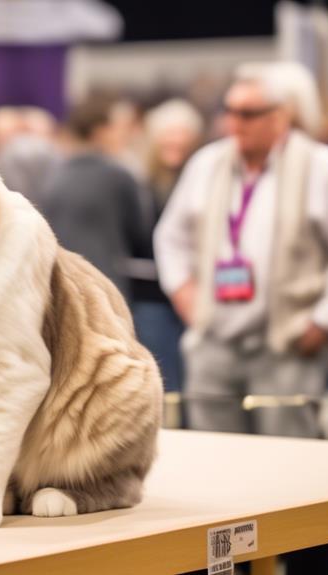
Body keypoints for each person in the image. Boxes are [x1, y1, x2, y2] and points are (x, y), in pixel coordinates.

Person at [154, 62, 328, 575]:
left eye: (250, 113)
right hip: (214, 344)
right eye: (230, 111)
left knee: (295, 478)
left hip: (287, 345)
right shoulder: (209, 163)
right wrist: (187, 296)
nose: (236, 122)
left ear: (283, 117)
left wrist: (326, 319)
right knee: (215, 480)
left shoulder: (321, 166)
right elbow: (171, 238)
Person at [130, 99, 204, 411]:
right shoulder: (139, 185)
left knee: (196, 376)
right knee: (163, 377)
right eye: (168, 134)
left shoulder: (202, 180)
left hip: (196, 295)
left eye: (182, 135)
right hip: (152, 299)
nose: (175, 142)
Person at [42, 97, 145, 299]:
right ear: (101, 131)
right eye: (118, 127)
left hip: (60, 286)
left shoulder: (54, 175)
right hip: (106, 287)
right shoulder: (118, 175)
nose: (124, 134)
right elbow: (141, 235)